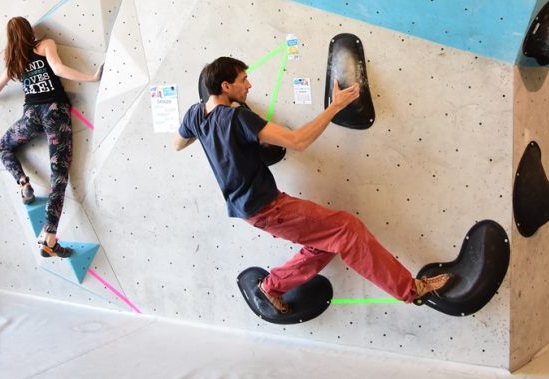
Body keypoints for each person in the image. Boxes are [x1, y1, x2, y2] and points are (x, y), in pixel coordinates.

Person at [174, 56, 452, 313]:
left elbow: (178, 144)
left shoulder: (195, 115)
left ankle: (272, 287)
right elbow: (298, 141)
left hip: (249, 209)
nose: (249, 85)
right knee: (347, 228)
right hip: (269, 208)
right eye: (243, 80)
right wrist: (335, 106)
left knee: (325, 242)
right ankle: (411, 290)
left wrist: (206, 133)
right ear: (226, 86)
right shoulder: (238, 117)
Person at [0, 17, 101, 258]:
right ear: (30, 31)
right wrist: (91, 78)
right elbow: (58, 69)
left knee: (4, 147)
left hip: (31, 117)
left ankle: (23, 183)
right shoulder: (45, 45)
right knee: (59, 175)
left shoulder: (14, 60)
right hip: (54, 113)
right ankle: (49, 239)